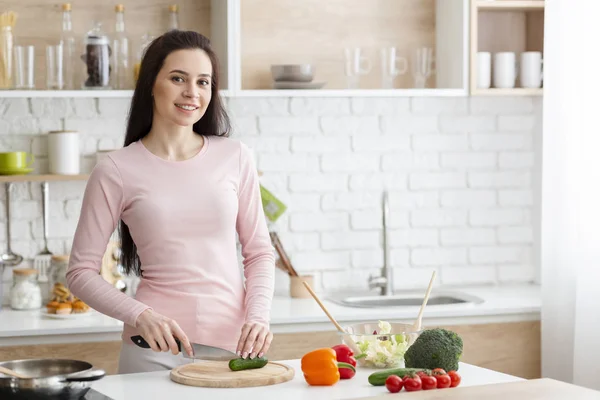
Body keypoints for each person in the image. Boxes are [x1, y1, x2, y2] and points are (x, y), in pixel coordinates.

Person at [66, 30, 276, 374]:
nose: (192, 92)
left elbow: (259, 253)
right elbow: (80, 272)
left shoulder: (235, 156)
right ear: (151, 83)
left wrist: (258, 317)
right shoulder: (115, 170)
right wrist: (140, 314)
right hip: (152, 352)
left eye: (203, 82)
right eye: (178, 78)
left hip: (234, 351)